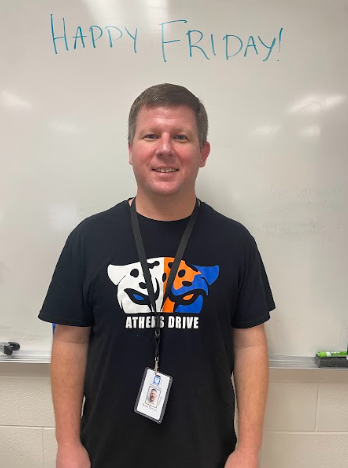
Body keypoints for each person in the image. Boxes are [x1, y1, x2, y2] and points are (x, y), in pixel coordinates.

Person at [39, 83, 275, 468]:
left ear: (203, 153)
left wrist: (248, 449)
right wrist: (68, 444)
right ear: (131, 149)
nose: (165, 148)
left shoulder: (235, 242)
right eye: (151, 135)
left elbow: (250, 346)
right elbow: (70, 342)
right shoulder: (88, 238)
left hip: (208, 454)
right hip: (105, 453)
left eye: (181, 137)